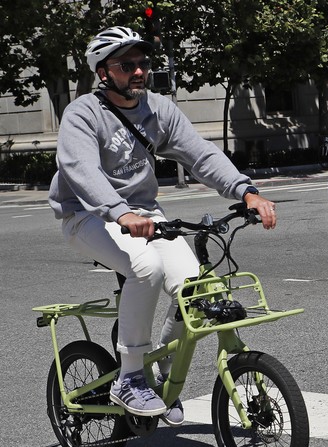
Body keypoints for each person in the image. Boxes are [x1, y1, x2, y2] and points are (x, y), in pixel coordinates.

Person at [48, 26, 278, 425]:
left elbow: (200, 154)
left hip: (142, 212)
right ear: (104, 73)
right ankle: (131, 376)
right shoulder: (82, 113)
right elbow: (80, 169)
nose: (139, 72)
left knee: (197, 289)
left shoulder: (158, 108)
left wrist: (246, 192)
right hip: (85, 213)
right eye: (127, 65)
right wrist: (119, 213)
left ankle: (164, 379)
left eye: (143, 63)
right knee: (146, 268)